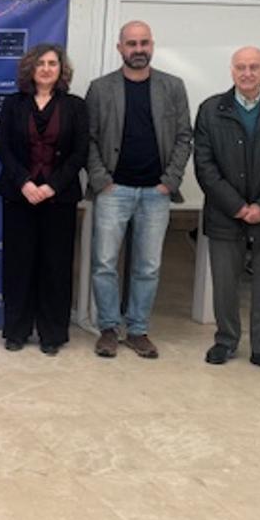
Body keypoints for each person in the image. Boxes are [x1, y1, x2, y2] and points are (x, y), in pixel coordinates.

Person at [194, 47, 260, 376]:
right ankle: (226, 340)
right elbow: (204, 165)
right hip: (226, 212)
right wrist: (239, 207)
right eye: (240, 67)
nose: (247, 73)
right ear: (231, 71)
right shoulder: (212, 109)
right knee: (225, 282)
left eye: (254, 67)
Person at [86, 20, 192, 359]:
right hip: (113, 191)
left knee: (148, 266)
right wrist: (102, 181)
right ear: (120, 48)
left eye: (144, 43)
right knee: (104, 263)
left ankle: (138, 329)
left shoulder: (172, 87)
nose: (138, 49)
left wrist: (170, 181)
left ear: (152, 45)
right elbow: (87, 139)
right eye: (131, 43)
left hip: (155, 192)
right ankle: (108, 329)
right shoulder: (101, 88)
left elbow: (184, 136)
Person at [0, 44, 88, 354]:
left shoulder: (75, 106)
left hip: (58, 199)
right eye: (41, 63)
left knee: (56, 266)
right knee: (19, 264)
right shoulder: (13, 105)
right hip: (19, 197)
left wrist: (52, 187)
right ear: (30, 69)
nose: (47, 68)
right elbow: (3, 148)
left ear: (62, 70)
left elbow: (80, 153)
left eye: (53, 63)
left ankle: (52, 334)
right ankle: (17, 331)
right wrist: (24, 182)